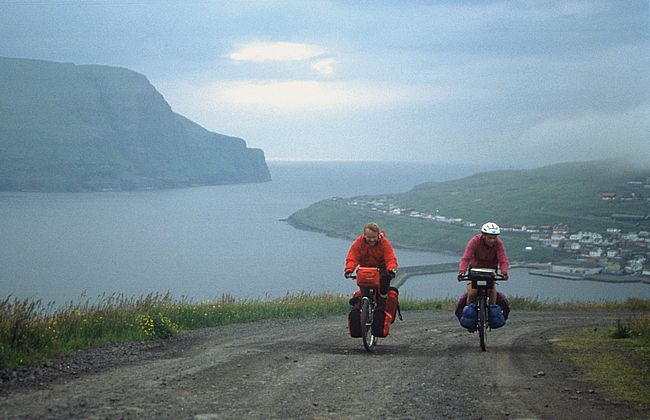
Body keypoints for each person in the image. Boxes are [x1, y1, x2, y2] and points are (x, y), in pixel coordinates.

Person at [344, 222, 398, 304]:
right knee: (365, 293)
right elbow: (353, 257)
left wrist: (391, 269)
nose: (372, 240)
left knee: (383, 288)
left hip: (381, 268)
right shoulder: (359, 243)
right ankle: (362, 304)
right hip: (366, 268)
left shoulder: (384, 243)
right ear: (364, 235)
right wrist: (349, 270)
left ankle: (382, 304)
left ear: (378, 235)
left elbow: (390, 257)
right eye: (369, 237)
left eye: (374, 237)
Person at [458, 222, 510, 306]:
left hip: (491, 270)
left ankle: (492, 310)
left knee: (491, 291)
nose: (492, 240)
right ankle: (470, 312)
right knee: (472, 293)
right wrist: (462, 271)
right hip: (475, 269)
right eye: (490, 238)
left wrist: (504, 272)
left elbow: (503, 259)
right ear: (483, 235)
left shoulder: (498, 243)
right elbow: (466, 258)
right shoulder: (475, 241)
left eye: (494, 238)